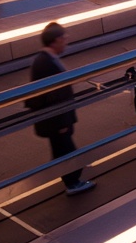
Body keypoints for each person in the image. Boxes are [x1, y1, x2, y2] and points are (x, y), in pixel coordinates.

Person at [26, 22, 95, 195]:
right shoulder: (45, 63)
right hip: (56, 120)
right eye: (64, 39)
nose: (66, 42)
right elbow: (51, 97)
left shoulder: (45, 60)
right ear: (55, 40)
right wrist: (62, 122)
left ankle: (65, 173)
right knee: (66, 150)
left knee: (61, 149)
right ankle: (72, 182)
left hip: (57, 119)